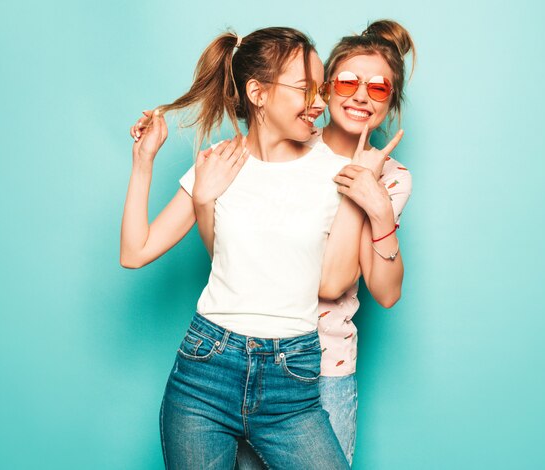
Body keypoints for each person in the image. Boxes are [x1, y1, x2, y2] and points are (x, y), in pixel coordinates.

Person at [122, 26, 401, 469]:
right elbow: (135, 252)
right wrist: (146, 164)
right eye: (305, 89)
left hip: (292, 380)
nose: (317, 102)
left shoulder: (336, 172)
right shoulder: (218, 164)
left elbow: (334, 281)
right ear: (258, 93)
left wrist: (359, 189)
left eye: (319, 88)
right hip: (205, 372)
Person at [235, 19, 415, 468]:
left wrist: (377, 205)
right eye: (349, 81)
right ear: (324, 87)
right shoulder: (287, 144)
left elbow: (386, 292)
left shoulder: (393, 177)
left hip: (327, 367)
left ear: (389, 104)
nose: (359, 95)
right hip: (254, 355)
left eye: (378, 89)